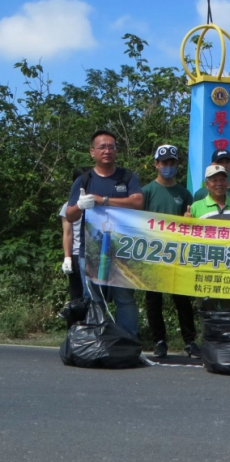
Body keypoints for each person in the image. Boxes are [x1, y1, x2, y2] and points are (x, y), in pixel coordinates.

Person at [66, 130, 143, 337]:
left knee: (124, 298)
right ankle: (97, 339)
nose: (107, 151)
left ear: (116, 150)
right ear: (92, 152)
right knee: (94, 298)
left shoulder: (127, 177)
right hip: (90, 251)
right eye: (102, 147)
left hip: (122, 250)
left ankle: (129, 340)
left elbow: (138, 202)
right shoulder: (84, 181)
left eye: (111, 146)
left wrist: (104, 200)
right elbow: (70, 215)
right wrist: (80, 206)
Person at [141, 145, 199, 359]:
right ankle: (159, 341)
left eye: (172, 163)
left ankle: (190, 341)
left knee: (182, 299)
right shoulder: (146, 191)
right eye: (164, 163)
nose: (168, 167)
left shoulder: (184, 193)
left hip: (177, 254)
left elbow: (189, 222)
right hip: (153, 254)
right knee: (153, 300)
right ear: (156, 164)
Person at [192, 149, 230, 220]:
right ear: (206, 184)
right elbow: (188, 229)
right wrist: (187, 222)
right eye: (214, 180)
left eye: (222, 180)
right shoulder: (196, 205)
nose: (219, 183)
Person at [58, 169, 87, 301]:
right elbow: (68, 233)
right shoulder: (68, 207)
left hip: (96, 253)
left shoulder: (96, 204)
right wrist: (67, 257)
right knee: (77, 295)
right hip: (76, 254)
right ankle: (75, 321)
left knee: (95, 296)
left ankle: (94, 321)